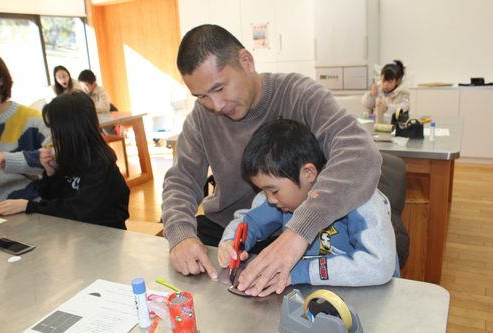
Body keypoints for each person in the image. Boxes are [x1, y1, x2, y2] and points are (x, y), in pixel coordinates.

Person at [162, 24, 382, 296]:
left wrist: (298, 231)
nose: (216, 105)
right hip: (230, 234)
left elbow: (361, 154)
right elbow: (180, 180)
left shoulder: (300, 95)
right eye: (202, 96)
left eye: (219, 88)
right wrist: (180, 234)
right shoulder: (202, 117)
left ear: (246, 61)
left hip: (298, 233)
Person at [218, 119, 398, 296]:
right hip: (313, 297)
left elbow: (379, 266)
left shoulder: (361, 198)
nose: (270, 200)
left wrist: (298, 272)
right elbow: (247, 223)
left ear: (309, 173)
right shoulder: (281, 201)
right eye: (264, 191)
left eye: (273, 190)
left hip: (368, 300)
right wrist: (231, 243)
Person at [0, 91, 130, 230]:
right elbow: (52, 197)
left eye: (53, 128)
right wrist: (51, 173)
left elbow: (78, 210)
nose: (50, 133)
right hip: (78, 231)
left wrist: (29, 206)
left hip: (105, 234)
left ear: (70, 128)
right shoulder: (71, 154)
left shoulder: (100, 164)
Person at [0, 51, 51, 205]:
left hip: (29, 205)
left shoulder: (31, 119)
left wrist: (10, 160)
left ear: (0, 79)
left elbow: (58, 154)